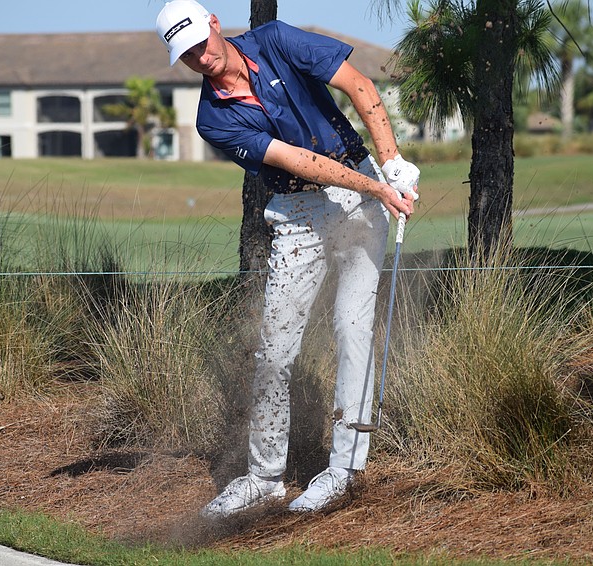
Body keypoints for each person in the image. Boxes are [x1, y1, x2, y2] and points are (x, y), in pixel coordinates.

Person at [155, 0, 420, 518]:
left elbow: (359, 85)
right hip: (299, 208)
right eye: (184, 55)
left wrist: (392, 163)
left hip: (363, 191)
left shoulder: (275, 39)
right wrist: (377, 186)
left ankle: (344, 469)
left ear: (215, 24)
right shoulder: (214, 119)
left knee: (352, 329)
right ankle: (264, 477)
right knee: (274, 350)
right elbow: (298, 161)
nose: (199, 58)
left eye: (199, 43)